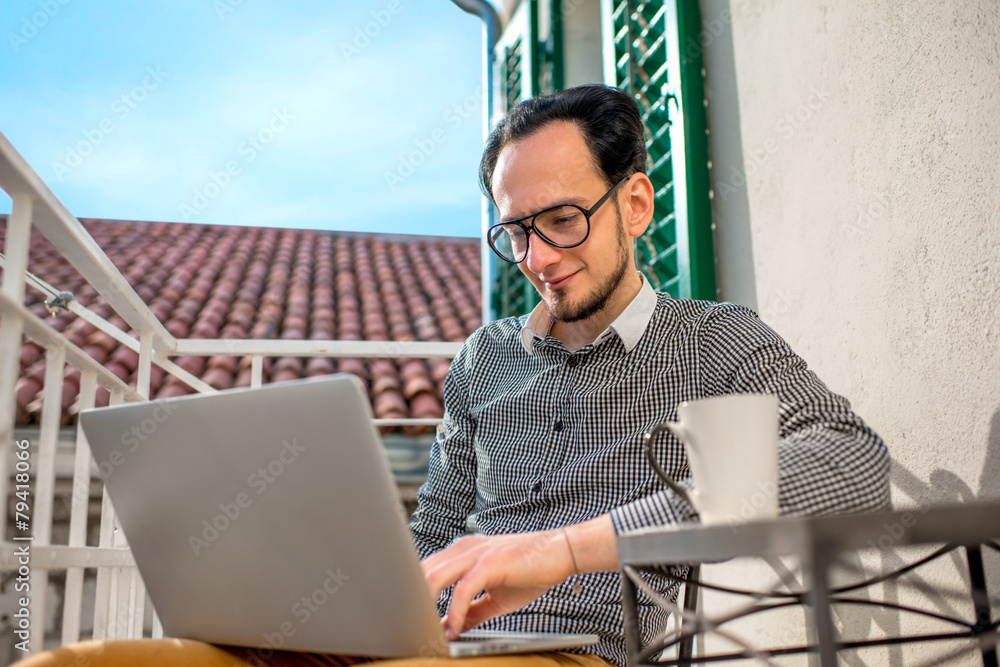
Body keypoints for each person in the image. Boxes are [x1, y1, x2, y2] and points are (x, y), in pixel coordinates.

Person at [21, 85, 889, 667]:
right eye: (515, 230)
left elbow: (852, 460)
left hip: (575, 653)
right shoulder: (483, 359)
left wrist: (562, 549)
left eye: (562, 220)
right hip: (425, 648)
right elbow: (434, 528)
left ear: (633, 203)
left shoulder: (713, 341)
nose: (537, 258)